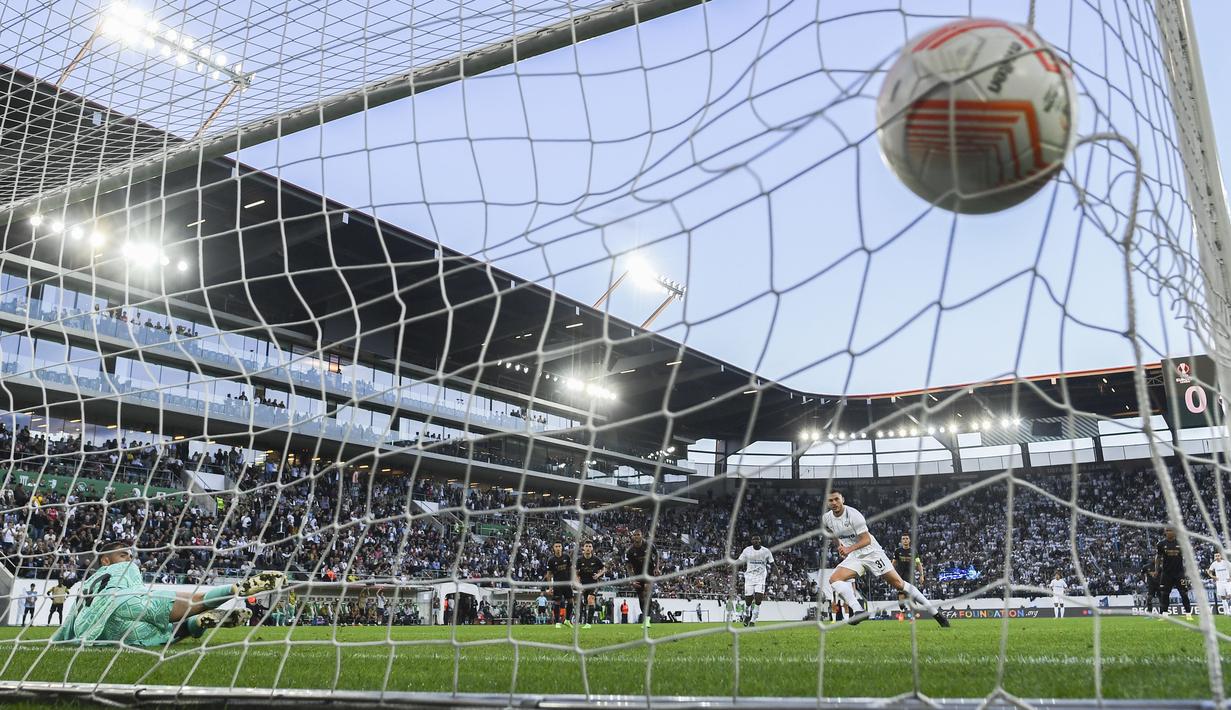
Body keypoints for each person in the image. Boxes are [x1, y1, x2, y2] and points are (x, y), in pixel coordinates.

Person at [52, 540, 286, 646]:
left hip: (99, 629)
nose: (130, 559)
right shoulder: (122, 569)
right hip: (125, 603)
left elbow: (72, 618)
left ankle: (196, 624)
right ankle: (234, 589)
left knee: (159, 633)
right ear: (105, 560)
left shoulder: (87, 583)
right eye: (123, 555)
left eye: (130, 556)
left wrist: (62, 638)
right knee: (172, 607)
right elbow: (135, 589)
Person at [822, 490, 949, 627]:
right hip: (855, 556)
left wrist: (848, 549)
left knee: (899, 584)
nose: (834, 503)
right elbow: (831, 532)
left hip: (872, 553)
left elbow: (866, 540)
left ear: (842, 499)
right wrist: (840, 546)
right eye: (830, 500)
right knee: (834, 579)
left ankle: (936, 614)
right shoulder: (827, 518)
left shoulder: (854, 515)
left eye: (836, 499)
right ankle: (859, 610)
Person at [1155, 527, 1194, 621]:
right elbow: (1158, 557)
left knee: (1184, 593)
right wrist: (1156, 570)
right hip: (1166, 573)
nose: (1168, 532)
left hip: (1180, 573)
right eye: (1167, 531)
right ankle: (1165, 614)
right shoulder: (1161, 544)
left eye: (1170, 530)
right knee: (1164, 594)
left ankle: (1188, 614)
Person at [736, 535, 774, 627]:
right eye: (753, 539)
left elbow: (773, 564)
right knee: (748, 601)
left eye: (757, 539)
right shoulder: (747, 550)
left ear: (760, 540)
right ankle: (747, 616)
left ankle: (753, 620)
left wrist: (778, 576)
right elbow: (739, 560)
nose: (755, 541)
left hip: (760, 578)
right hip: (749, 578)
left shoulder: (766, 551)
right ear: (751, 541)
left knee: (758, 599)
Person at [625, 530, 660, 628]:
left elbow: (657, 554)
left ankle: (647, 619)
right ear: (632, 537)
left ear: (642, 536)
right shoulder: (630, 551)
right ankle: (645, 617)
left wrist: (657, 567)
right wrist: (632, 579)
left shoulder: (649, 545)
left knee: (646, 592)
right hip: (638, 575)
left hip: (649, 572)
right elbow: (628, 566)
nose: (636, 536)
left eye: (638, 535)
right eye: (635, 535)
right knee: (641, 597)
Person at [573, 541, 606, 629]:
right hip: (584, 585)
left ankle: (588, 623)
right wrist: (578, 583)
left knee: (590, 599)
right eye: (586, 546)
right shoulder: (579, 560)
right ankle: (595, 609)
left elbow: (604, 569)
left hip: (594, 584)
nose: (588, 548)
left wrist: (598, 575)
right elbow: (575, 573)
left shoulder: (596, 559)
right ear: (583, 548)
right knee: (586, 602)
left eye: (590, 546)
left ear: (592, 548)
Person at [892, 534, 925, 618]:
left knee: (910, 596)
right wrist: (890, 573)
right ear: (901, 541)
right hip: (900, 577)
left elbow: (918, 564)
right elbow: (894, 563)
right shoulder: (898, 551)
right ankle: (903, 611)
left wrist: (921, 575)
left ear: (909, 540)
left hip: (910, 577)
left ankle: (913, 614)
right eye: (903, 539)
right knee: (901, 595)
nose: (905, 540)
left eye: (907, 538)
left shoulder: (914, 551)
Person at [543, 542, 573, 628]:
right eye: (556, 546)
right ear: (553, 548)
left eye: (559, 546)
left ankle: (567, 620)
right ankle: (557, 622)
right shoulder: (551, 560)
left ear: (562, 547)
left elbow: (571, 569)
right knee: (557, 602)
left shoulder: (566, 557)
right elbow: (549, 574)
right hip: (557, 584)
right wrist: (550, 587)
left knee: (570, 601)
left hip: (567, 583)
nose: (558, 548)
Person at [1207, 551, 1231, 616]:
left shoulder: (1226, 563)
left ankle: (1228, 609)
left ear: (1221, 556)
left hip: (1227, 581)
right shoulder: (1214, 564)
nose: (1217, 557)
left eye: (1218, 556)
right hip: (1219, 582)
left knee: (1229, 595)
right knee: (1223, 597)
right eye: (1216, 556)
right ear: (1214, 557)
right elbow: (1209, 571)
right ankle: (1226, 611)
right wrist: (1212, 576)